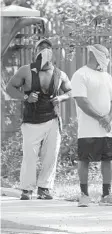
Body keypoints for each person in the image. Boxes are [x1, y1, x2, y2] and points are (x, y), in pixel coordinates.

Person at [6, 38, 72, 200]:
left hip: (52, 119)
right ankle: (27, 189)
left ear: (52, 53)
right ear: (36, 52)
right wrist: (25, 97)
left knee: (51, 155)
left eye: (48, 48)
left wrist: (62, 98)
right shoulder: (26, 70)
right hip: (31, 120)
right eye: (41, 48)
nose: (44, 50)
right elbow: (9, 88)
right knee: (30, 155)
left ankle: (44, 188)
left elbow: (70, 92)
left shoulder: (59, 74)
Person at [71, 44, 112, 207]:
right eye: (105, 55)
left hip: (108, 129)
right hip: (88, 130)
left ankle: (106, 196)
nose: (107, 58)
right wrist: (101, 118)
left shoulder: (106, 76)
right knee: (84, 160)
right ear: (95, 54)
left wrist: (109, 117)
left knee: (107, 160)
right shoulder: (80, 75)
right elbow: (81, 101)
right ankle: (84, 195)